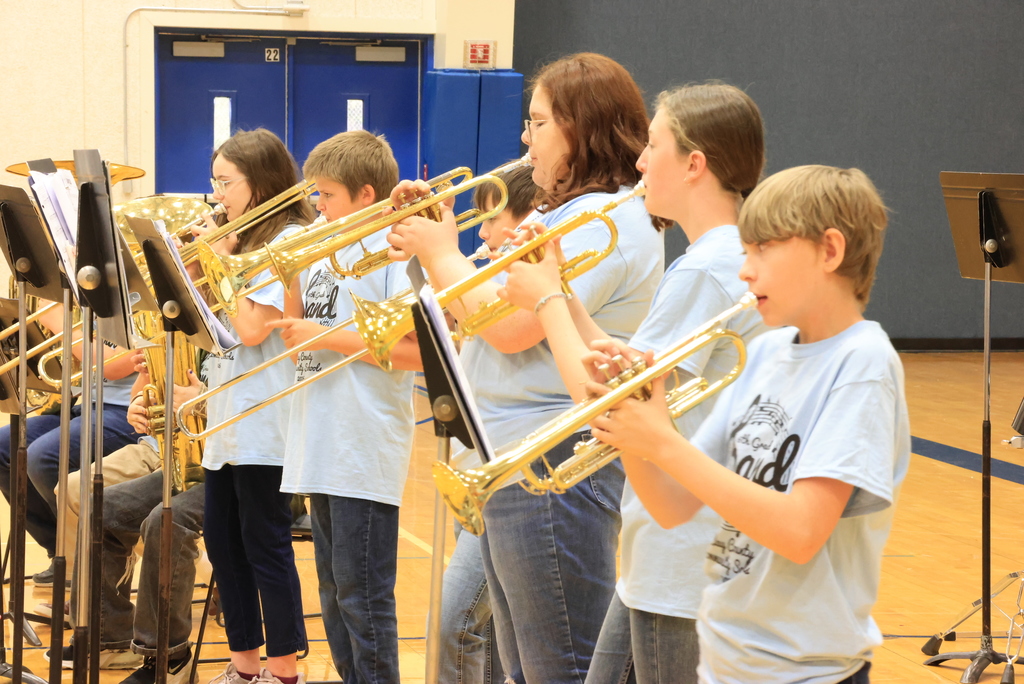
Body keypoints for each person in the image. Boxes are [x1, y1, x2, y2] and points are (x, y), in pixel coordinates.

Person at [386, 52, 666, 684]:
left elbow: (511, 328)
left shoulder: (606, 219)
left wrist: (441, 252)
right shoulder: (560, 211)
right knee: (522, 666)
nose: (524, 137)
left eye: (538, 122)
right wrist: (433, 239)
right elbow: (474, 306)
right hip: (517, 457)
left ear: (580, 128)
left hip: (555, 462)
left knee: (557, 667)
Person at [586, 164, 906, 684]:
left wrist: (662, 442)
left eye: (763, 250)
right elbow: (671, 506)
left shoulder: (862, 363)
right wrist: (631, 419)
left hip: (806, 671)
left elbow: (801, 532)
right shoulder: (766, 352)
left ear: (829, 250)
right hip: (726, 659)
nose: (745, 271)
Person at [500, 81, 770, 684]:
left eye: (653, 146)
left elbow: (612, 406)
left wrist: (546, 300)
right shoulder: (721, 256)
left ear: (694, 164)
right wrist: (561, 289)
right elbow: (627, 371)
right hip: (668, 551)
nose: (641, 162)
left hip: (683, 559)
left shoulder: (707, 267)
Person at [269, 129, 419, 683]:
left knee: (363, 598)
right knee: (333, 594)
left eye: (328, 195)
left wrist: (325, 337)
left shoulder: (392, 251)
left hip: (362, 444)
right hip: (319, 440)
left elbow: (416, 354)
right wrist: (287, 272)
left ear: (366, 195)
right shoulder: (324, 250)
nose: (317, 205)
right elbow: (295, 338)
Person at [196, 128, 314, 684]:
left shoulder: (285, 241)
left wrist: (221, 259)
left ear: (260, 183)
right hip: (228, 413)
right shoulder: (241, 240)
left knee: (264, 543)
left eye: (226, 183)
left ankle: (284, 670)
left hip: (266, 417)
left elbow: (250, 329)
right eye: (214, 181)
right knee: (223, 542)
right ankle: (244, 666)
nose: (217, 195)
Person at [54, 352, 207, 684]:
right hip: (180, 456)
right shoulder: (191, 331)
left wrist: (204, 401)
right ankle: (106, 637)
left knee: (166, 520)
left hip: (239, 464)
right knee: (101, 508)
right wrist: (140, 403)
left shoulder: (252, 334)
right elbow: (148, 387)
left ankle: (169, 658)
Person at [439, 161, 536, 684]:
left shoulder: (516, 286)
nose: (482, 233)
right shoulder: (492, 277)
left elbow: (508, 338)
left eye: (490, 220)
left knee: (455, 622)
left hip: (510, 470)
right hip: (476, 461)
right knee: (497, 630)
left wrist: (441, 254)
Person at [0, 305, 138, 584]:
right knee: (5, 447)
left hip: (129, 411)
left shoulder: (145, 298)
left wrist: (60, 321)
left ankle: (91, 559)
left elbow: (117, 365)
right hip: (84, 404)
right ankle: (61, 551)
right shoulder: (96, 295)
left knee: (44, 457)